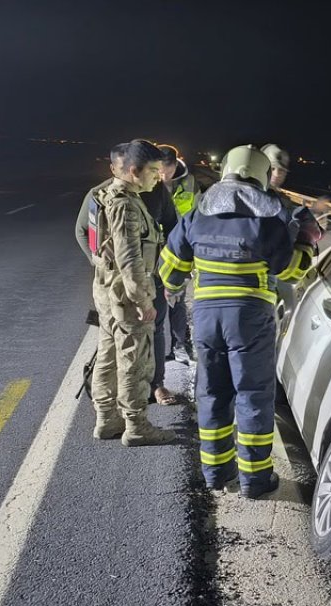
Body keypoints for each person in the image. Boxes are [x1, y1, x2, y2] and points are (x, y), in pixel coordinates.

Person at [158, 145, 297, 498]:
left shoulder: (198, 215)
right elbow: (293, 269)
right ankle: (255, 480)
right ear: (262, 176)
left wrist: (174, 289)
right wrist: (309, 243)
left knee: (213, 394)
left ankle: (216, 475)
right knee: (252, 396)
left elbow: (171, 271)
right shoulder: (268, 218)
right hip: (251, 319)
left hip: (207, 318)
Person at [88, 139, 175, 446]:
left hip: (108, 290)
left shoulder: (107, 195)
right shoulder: (125, 204)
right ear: (134, 171)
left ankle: (106, 420)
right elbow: (129, 257)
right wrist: (143, 299)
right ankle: (136, 426)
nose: (158, 177)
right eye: (153, 171)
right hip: (126, 295)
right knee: (134, 360)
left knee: (109, 356)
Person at [136, 140, 184, 405]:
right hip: (120, 281)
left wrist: (171, 270)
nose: (159, 176)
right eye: (153, 170)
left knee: (155, 329)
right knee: (122, 332)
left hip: (153, 275)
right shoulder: (104, 194)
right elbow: (85, 231)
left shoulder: (158, 193)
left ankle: (157, 384)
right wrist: (99, 263)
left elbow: (174, 228)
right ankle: (126, 389)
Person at [260, 144, 326, 311]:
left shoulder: (278, 200)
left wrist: (313, 213)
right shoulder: (265, 201)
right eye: (272, 168)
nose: (276, 174)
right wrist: (308, 237)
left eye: (280, 170)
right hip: (261, 285)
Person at [157, 144, 196, 362]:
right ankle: (158, 348)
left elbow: (197, 214)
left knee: (176, 300)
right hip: (156, 249)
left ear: (174, 165)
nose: (163, 175)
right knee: (157, 301)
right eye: (160, 170)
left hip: (180, 250)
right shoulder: (149, 182)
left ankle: (180, 344)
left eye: (167, 170)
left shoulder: (189, 183)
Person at [75, 143, 129, 265]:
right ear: (113, 169)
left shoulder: (150, 190)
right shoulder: (97, 194)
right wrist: (94, 259)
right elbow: (81, 230)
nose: (127, 174)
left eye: (130, 168)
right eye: (122, 169)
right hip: (112, 272)